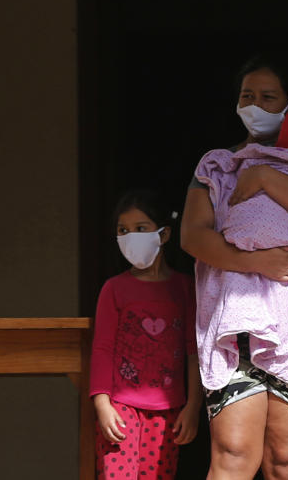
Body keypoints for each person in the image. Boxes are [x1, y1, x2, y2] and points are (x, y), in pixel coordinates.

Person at [180, 56, 288, 480]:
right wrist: (253, 262)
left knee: (287, 460)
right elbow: (193, 237)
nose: (255, 104)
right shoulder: (217, 165)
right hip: (234, 320)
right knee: (234, 454)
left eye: (268, 97)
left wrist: (265, 175)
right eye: (247, 96)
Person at [90, 189, 201, 480]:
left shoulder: (185, 288)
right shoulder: (114, 289)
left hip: (169, 411)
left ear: (163, 235)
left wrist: (193, 405)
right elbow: (102, 348)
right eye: (123, 230)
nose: (131, 236)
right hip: (121, 408)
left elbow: (194, 349)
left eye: (141, 229)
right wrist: (102, 403)